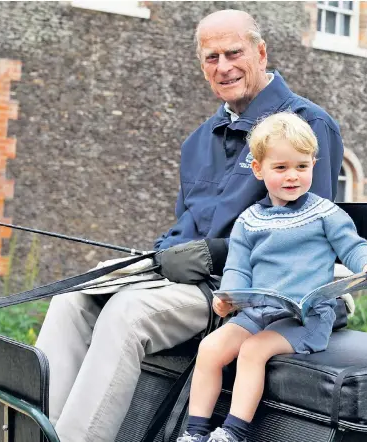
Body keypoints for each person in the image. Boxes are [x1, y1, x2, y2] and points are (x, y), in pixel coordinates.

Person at [35, 9, 344, 442]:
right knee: (73, 299)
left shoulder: (308, 126)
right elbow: (187, 225)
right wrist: (155, 257)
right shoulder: (199, 140)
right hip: (189, 281)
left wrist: (211, 255)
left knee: (127, 313)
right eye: (211, 57)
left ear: (260, 52)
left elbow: (310, 233)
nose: (224, 66)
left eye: (233, 52)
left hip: (253, 293)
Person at [177, 112, 367, 442]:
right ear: (259, 169)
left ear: (313, 165)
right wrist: (228, 296)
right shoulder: (249, 220)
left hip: (306, 320)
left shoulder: (324, 213)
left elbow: (352, 246)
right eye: (281, 168)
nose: (293, 176)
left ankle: (233, 432)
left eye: (302, 167)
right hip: (258, 312)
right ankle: (195, 431)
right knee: (210, 348)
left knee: (253, 351)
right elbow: (238, 267)